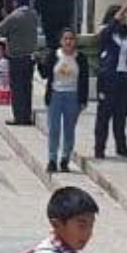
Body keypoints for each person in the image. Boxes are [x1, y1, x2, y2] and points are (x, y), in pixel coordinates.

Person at [93, 4, 127, 160]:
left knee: (121, 115)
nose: (124, 19)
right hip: (109, 78)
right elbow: (104, 35)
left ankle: (122, 146)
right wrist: (120, 13)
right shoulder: (106, 30)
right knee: (104, 115)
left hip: (124, 78)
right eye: (121, 16)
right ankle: (99, 148)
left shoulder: (125, 34)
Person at [0, 0, 41, 127]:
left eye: (13, 1)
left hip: (17, 58)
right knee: (27, 87)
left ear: (17, 2)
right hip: (30, 57)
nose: (12, 3)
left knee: (17, 88)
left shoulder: (15, 16)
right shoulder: (33, 15)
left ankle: (19, 117)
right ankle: (26, 115)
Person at [44, 29, 88, 173]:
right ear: (61, 41)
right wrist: (38, 62)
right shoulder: (54, 55)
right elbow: (45, 73)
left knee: (69, 130)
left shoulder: (80, 58)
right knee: (54, 129)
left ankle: (65, 159)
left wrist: (83, 100)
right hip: (56, 95)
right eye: (66, 39)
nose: (68, 42)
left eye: (71, 39)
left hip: (72, 96)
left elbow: (84, 80)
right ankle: (52, 159)